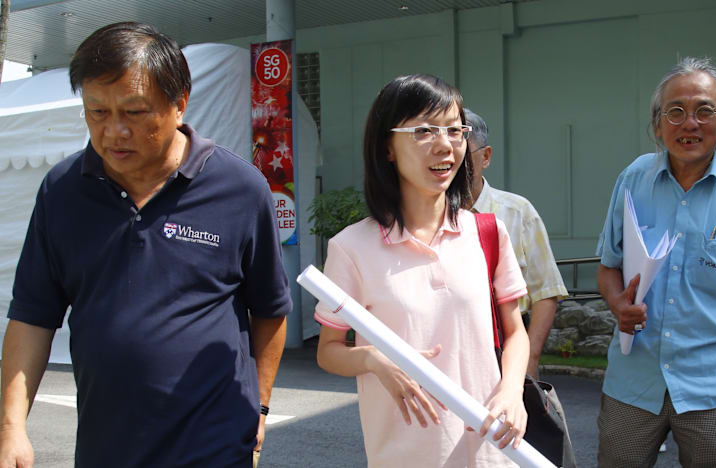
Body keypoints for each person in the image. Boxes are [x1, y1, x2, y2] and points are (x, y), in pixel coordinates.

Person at [0, 22, 292, 468]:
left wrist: (261, 409)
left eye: (134, 113)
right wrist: (11, 428)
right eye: (97, 111)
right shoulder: (62, 192)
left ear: (179, 105)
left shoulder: (239, 188)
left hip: (215, 444)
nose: (114, 131)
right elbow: (32, 316)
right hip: (107, 446)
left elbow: (269, 308)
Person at [315, 74, 530, 467]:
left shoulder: (487, 232)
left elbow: (515, 332)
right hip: (402, 454)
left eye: (454, 130)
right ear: (388, 148)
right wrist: (372, 360)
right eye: (425, 131)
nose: (445, 145)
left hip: (491, 454)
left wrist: (512, 392)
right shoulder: (351, 248)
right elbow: (329, 351)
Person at [595, 56, 716, 467]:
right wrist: (617, 304)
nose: (690, 124)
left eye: (705, 110)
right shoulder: (632, 180)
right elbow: (609, 265)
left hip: (712, 392)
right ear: (657, 124)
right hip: (633, 384)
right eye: (676, 112)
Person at [464, 109, 569, 380]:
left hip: (508, 342)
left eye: (465, 154)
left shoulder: (517, 212)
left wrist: (530, 358)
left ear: (486, 156)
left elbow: (545, 291)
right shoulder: (428, 217)